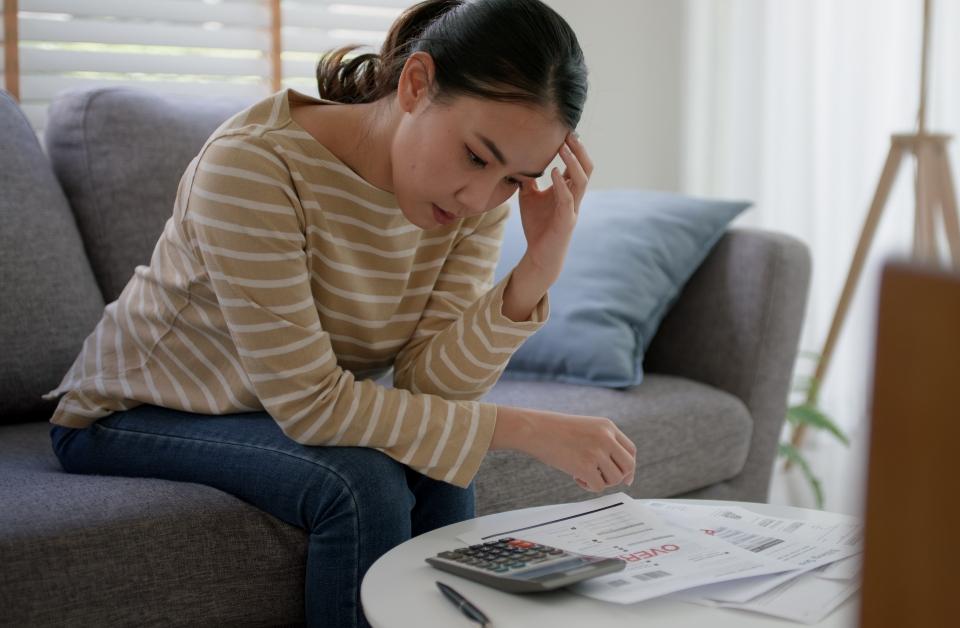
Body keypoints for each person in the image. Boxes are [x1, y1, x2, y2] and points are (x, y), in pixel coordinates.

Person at [40, 0, 637, 625]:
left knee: (441, 468)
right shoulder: (254, 164)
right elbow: (310, 403)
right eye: (476, 157)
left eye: (515, 180)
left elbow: (432, 386)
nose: (480, 198)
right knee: (362, 481)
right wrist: (529, 429)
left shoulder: (469, 202)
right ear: (415, 83)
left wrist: (535, 271)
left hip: (263, 410)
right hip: (131, 412)